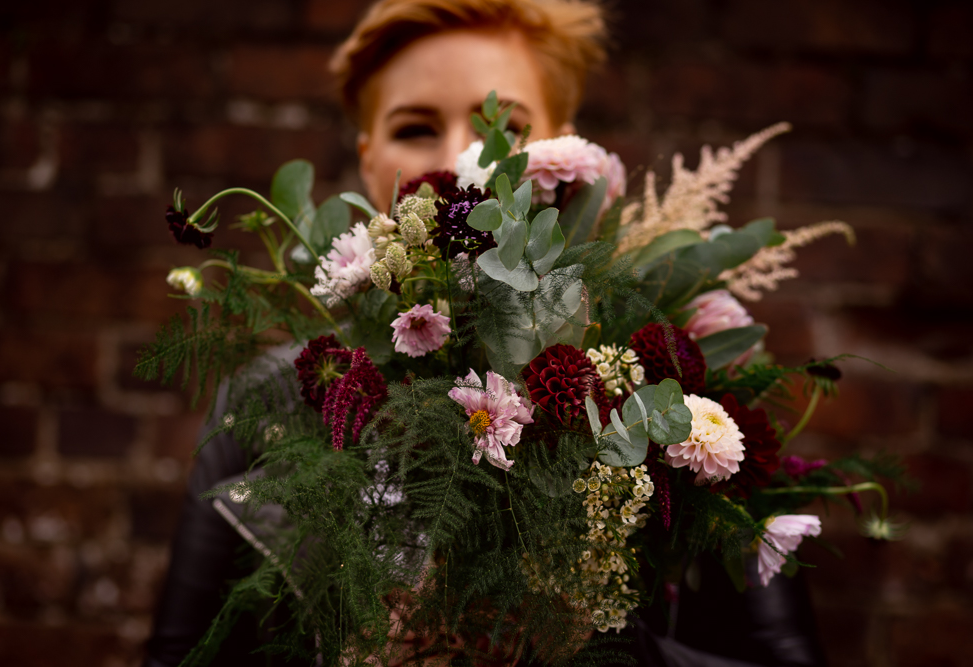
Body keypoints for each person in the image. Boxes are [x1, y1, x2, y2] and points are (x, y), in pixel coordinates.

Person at [144, 1, 827, 665]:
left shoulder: (676, 402)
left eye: (502, 129)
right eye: (415, 128)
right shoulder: (267, 402)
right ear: (366, 159)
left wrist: (599, 645)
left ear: (565, 150)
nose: (464, 162)